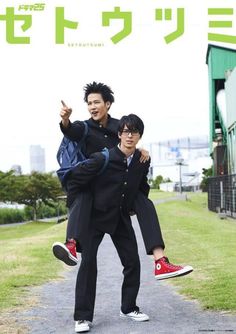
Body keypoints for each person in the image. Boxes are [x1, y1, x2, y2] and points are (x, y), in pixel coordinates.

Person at [52, 82, 193, 280]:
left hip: (117, 187)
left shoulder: (119, 126)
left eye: (96, 102)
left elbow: (130, 138)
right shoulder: (83, 127)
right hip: (94, 187)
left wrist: (140, 149)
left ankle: (160, 261)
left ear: (107, 104)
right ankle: (71, 245)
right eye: (89, 103)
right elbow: (70, 131)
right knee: (88, 261)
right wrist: (65, 120)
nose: (92, 106)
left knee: (144, 202)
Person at [68, 114, 151, 332]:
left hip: (120, 217)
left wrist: (135, 204)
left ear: (140, 135)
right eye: (125, 131)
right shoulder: (102, 158)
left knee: (132, 261)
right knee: (88, 264)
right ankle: (83, 317)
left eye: (134, 132)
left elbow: (142, 185)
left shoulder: (143, 159)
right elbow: (75, 179)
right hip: (95, 217)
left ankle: (129, 307)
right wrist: (78, 204)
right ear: (119, 134)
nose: (129, 135)